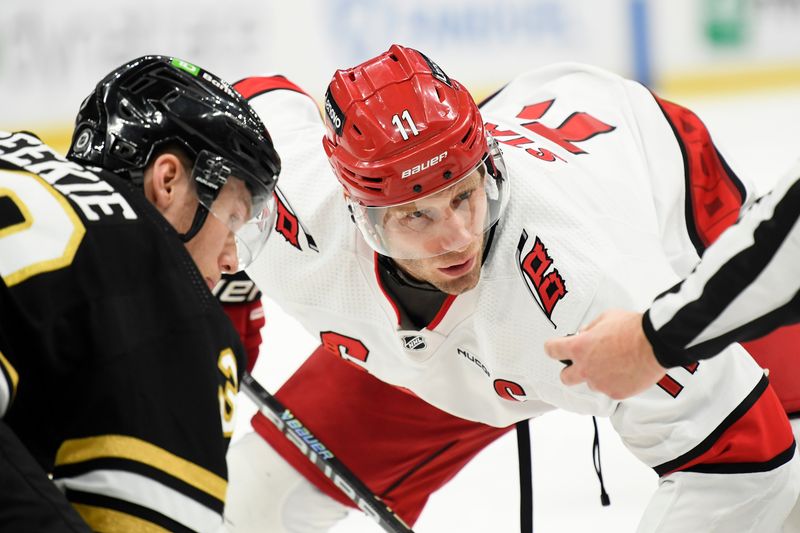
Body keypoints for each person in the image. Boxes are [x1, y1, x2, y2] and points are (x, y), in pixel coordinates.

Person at [225, 45, 799, 532]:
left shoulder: (593, 280)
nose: (457, 238)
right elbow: (221, 114)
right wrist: (225, 316)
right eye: (415, 217)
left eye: (464, 196)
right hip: (465, 343)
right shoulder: (289, 191)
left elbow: (743, 461)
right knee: (257, 497)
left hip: (667, 188)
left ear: (489, 168)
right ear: (359, 213)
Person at [0, 55, 281, 532]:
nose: (232, 259)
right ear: (167, 181)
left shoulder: (19, 156)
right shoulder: (157, 285)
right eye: (231, 221)